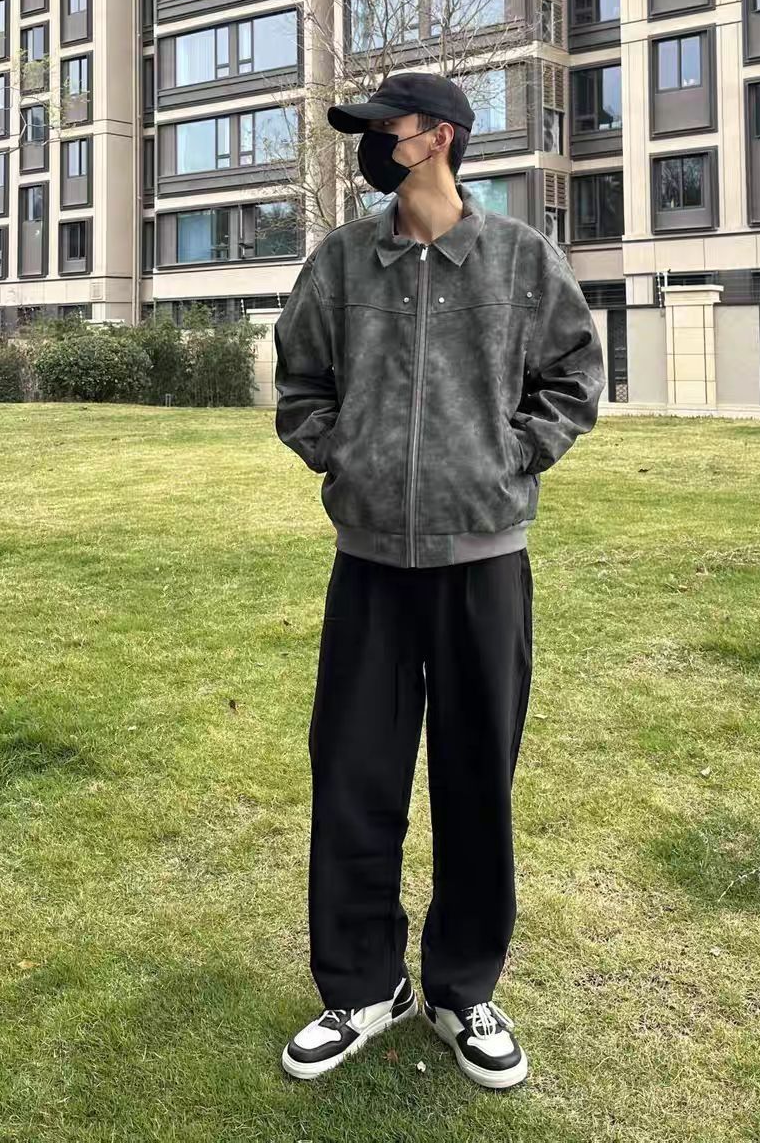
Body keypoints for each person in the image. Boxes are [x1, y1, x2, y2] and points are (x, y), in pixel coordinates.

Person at [274, 71, 606, 1088]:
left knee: (475, 781)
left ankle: (464, 990)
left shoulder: (521, 259)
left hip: (484, 564)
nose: (374, 145)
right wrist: (345, 458)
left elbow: (574, 378)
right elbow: (300, 383)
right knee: (354, 776)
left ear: (442, 139)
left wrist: (507, 460)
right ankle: (363, 986)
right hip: (369, 564)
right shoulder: (342, 261)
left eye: (391, 128)